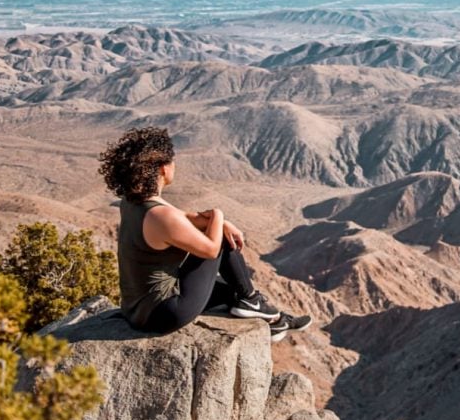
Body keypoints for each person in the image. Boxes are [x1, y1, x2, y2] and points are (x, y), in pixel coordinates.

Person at [99, 126, 310, 340]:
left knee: (231, 290)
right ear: (163, 169)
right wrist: (219, 216)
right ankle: (252, 300)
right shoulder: (161, 216)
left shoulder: (133, 202)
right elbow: (210, 250)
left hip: (137, 309)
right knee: (221, 242)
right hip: (164, 313)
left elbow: (182, 218)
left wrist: (219, 222)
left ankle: (273, 320)